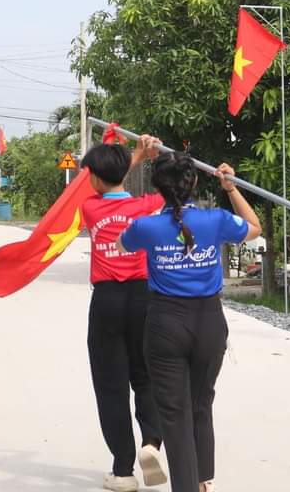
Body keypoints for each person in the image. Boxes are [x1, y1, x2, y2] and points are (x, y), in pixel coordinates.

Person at [119, 153, 261, 492]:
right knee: (201, 404)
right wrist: (231, 188)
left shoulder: (147, 226)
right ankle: (202, 482)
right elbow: (254, 228)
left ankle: (188, 486)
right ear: (194, 182)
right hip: (209, 322)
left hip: (166, 323)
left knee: (174, 413)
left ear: (158, 188)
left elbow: (123, 240)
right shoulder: (216, 219)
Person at [80, 135, 167, 492]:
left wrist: (134, 155)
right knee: (146, 376)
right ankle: (151, 443)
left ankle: (122, 471)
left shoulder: (90, 208)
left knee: (111, 384)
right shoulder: (148, 206)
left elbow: (110, 179)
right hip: (144, 298)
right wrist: (153, 155)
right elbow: (172, 185)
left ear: (96, 178)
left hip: (107, 301)